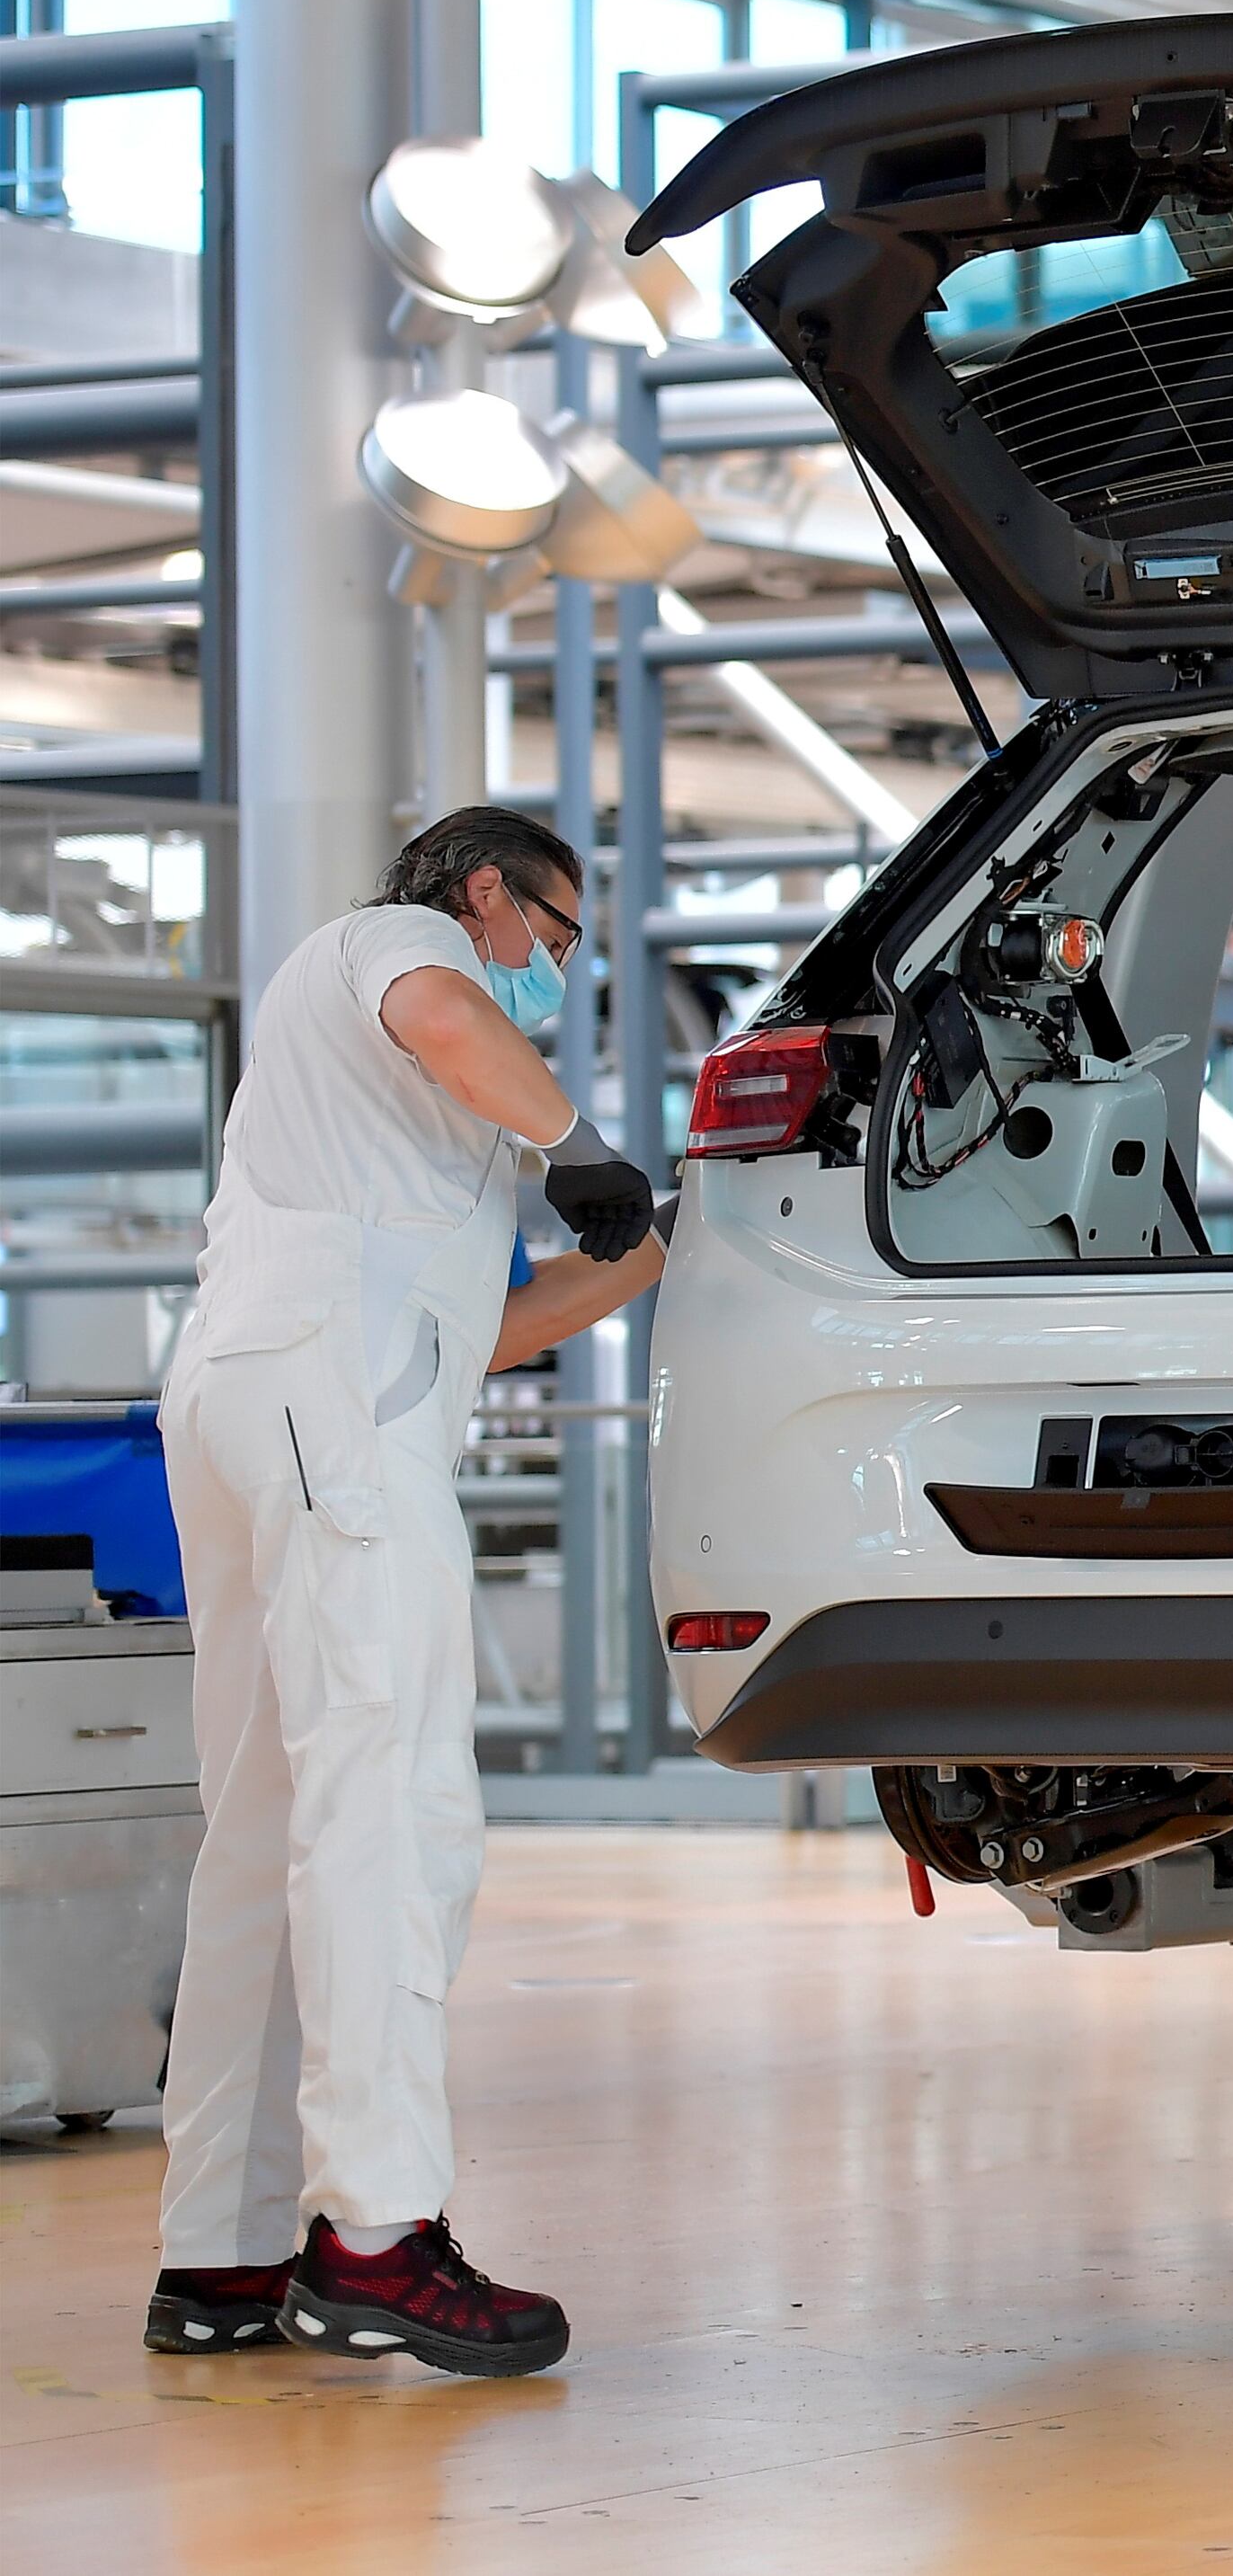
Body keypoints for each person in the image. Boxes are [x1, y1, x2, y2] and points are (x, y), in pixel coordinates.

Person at [144, 810, 664, 2376]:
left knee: (265, 1827)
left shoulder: (413, 1115)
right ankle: (377, 2237)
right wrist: (581, 1147)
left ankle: (223, 2252)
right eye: (553, 939)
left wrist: (660, 1241)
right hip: (334, 1412)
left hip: (272, 1399)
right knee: (390, 1806)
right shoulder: (403, 945)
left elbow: (494, 1328)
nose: (552, 973)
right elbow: (447, 1013)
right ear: (485, 890)